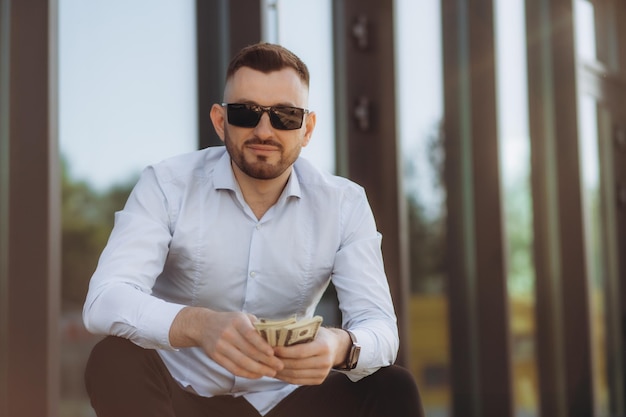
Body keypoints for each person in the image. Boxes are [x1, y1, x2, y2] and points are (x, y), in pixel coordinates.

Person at [83, 42, 424, 417]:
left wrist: (336, 346)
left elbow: (380, 329)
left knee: (392, 385)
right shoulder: (166, 185)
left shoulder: (343, 203)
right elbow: (105, 299)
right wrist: (199, 325)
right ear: (219, 120)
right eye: (246, 113)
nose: (264, 130)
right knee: (113, 359)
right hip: (180, 397)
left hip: (287, 400)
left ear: (307, 129)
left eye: (285, 116)